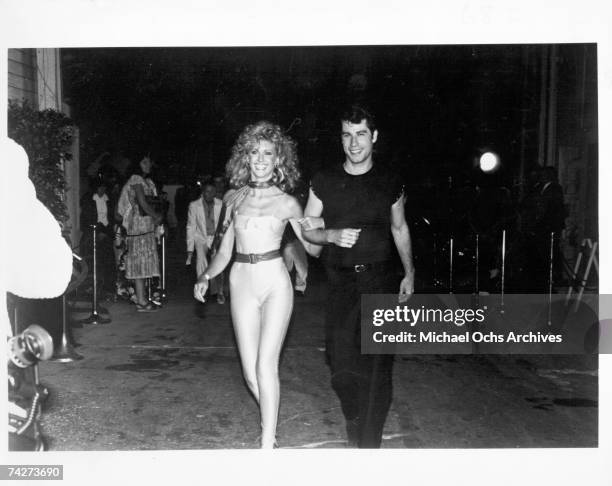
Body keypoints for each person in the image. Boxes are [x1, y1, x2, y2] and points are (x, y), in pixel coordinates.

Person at [193, 121, 317, 448]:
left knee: (266, 365)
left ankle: (266, 443)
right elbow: (223, 251)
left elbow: (313, 245)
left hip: (274, 279)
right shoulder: (233, 199)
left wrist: (325, 227)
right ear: (245, 158)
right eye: (254, 152)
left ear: (279, 160)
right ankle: (270, 429)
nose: (260, 159)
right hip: (241, 280)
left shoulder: (288, 203)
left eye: (268, 153)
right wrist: (205, 276)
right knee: (250, 374)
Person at [301, 104, 415, 448]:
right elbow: (309, 232)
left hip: (380, 280)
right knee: (340, 367)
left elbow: (399, 227)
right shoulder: (323, 181)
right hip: (340, 283)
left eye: (361, 134)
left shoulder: (390, 181)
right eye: (347, 135)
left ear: (374, 137)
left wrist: (410, 272)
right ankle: (354, 415)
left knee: (378, 369)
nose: (354, 143)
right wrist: (331, 235)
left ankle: (369, 445)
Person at [118, 156, 162, 312]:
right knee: (139, 263)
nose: (148, 165)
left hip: (146, 225)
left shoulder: (147, 181)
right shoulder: (136, 179)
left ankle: (142, 298)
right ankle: (141, 301)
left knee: (143, 263)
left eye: (149, 162)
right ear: (137, 165)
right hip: (138, 226)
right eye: (144, 162)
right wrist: (156, 216)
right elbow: (142, 202)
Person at [186, 182, 225, 304]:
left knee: (218, 263)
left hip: (216, 237)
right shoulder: (194, 205)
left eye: (212, 191)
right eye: (207, 191)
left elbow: (225, 224)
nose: (209, 194)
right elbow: (190, 227)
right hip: (201, 237)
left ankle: (220, 292)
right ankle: (201, 289)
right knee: (201, 261)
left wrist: (221, 239)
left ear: (215, 192)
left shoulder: (221, 204)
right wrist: (190, 249)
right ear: (203, 192)